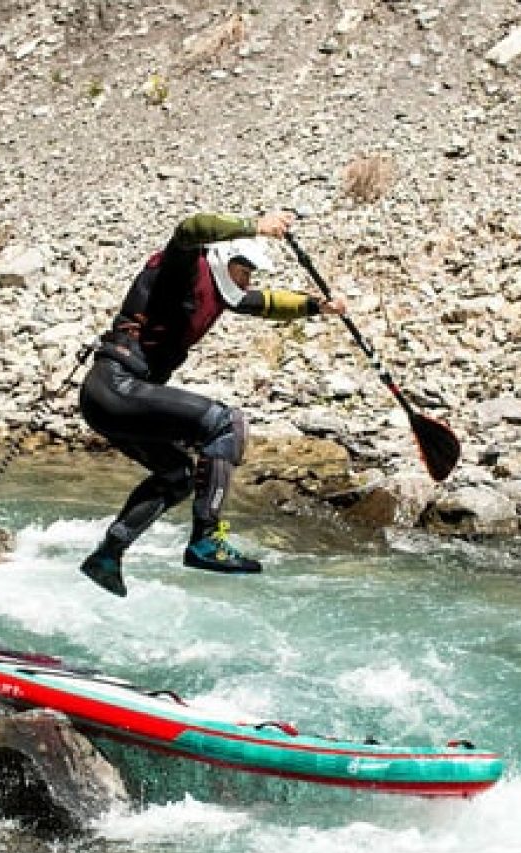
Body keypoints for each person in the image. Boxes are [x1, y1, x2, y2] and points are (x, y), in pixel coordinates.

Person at [77, 210, 348, 597]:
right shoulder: (186, 268)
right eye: (246, 270)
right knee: (225, 423)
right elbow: (188, 229)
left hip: (116, 399)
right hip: (116, 388)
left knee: (178, 476)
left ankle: (108, 555)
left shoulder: (223, 291)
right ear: (226, 258)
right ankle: (206, 540)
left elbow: (264, 303)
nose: (249, 280)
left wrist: (316, 307)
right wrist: (256, 227)